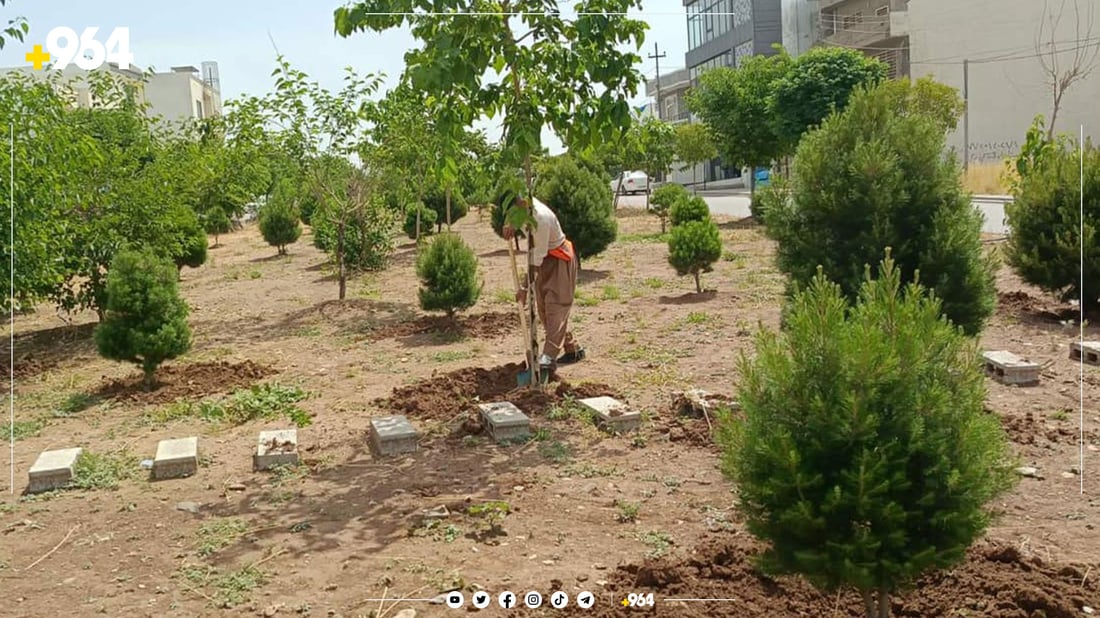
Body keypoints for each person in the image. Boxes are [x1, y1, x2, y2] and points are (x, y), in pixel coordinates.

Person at [503, 196, 585, 374]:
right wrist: (510, 224)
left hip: (558, 260)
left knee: (555, 306)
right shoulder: (521, 208)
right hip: (543, 259)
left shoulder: (540, 219)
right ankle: (573, 348)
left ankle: (548, 357)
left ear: (524, 203)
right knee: (544, 309)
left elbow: (536, 259)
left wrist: (524, 288)